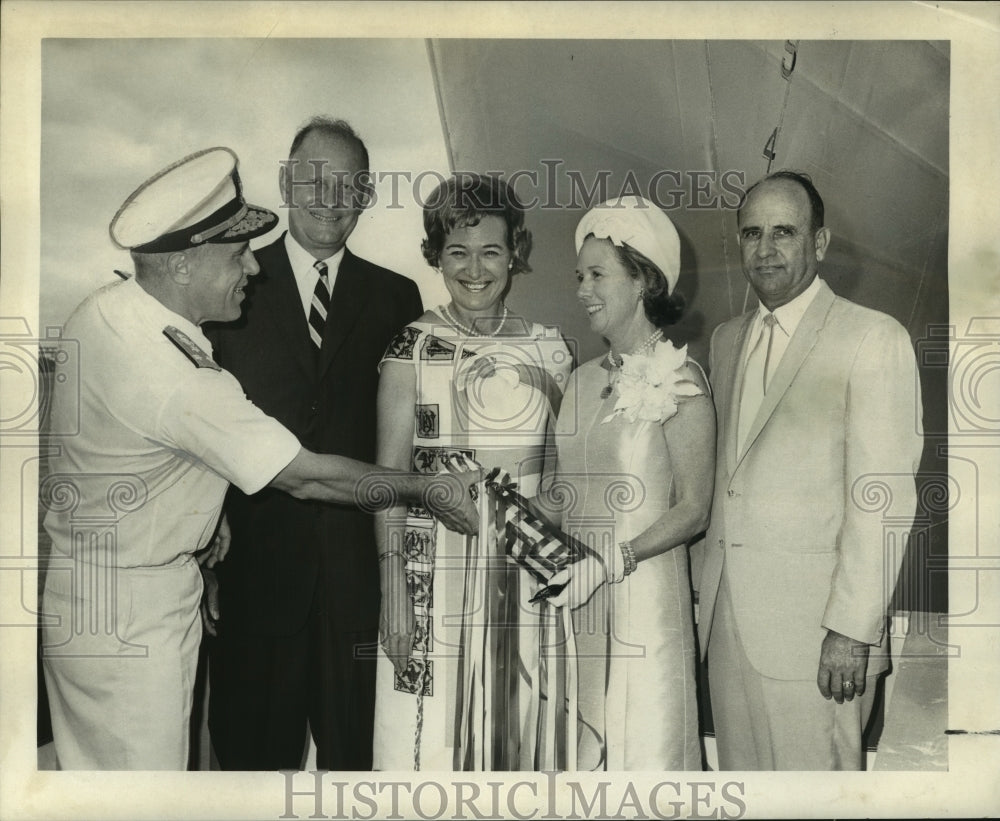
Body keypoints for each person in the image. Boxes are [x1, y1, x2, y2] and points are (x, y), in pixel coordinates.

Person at [39, 146, 477, 771]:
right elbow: (302, 476)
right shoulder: (176, 373)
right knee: (144, 794)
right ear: (186, 264)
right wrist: (427, 490)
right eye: (236, 253)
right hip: (137, 616)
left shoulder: (105, 313)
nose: (251, 265)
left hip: (94, 594)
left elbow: (160, 452)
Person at [204, 118, 423, 771]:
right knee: (251, 772)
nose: (331, 199)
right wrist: (208, 552)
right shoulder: (232, 285)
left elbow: (402, 447)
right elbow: (202, 430)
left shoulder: (395, 297)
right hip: (254, 581)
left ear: (365, 196)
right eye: (316, 180)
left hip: (358, 590)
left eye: (349, 185)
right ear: (284, 183)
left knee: (357, 774)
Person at [695, 171, 923, 770]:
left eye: (784, 233)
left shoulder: (872, 337)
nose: (764, 249)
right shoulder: (724, 341)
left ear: (819, 244)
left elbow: (883, 500)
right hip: (730, 632)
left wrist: (851, 629)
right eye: (751, 234)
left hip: (822, 640)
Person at [372, 173, 572, 770]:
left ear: (516, 251)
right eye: (457, 252)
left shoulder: (553, 349)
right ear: (437, 255)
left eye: (490, 250)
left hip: (524, 586)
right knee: (425, 752)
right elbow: (385, 481)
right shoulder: (409, 346)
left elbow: (562, 481)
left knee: (512, 749)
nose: (474, 269)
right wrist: (392, 595)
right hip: (428, 583)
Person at [540, 195, 715, 770]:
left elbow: (694, 508)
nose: (582, 289)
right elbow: (564, 495)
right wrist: (497, 501)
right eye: (579, 276)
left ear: (642, 281)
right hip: (579, 607)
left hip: (645, 606)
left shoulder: (681, 377)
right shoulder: (582, 379)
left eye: (598, 275)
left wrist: (614, 560)